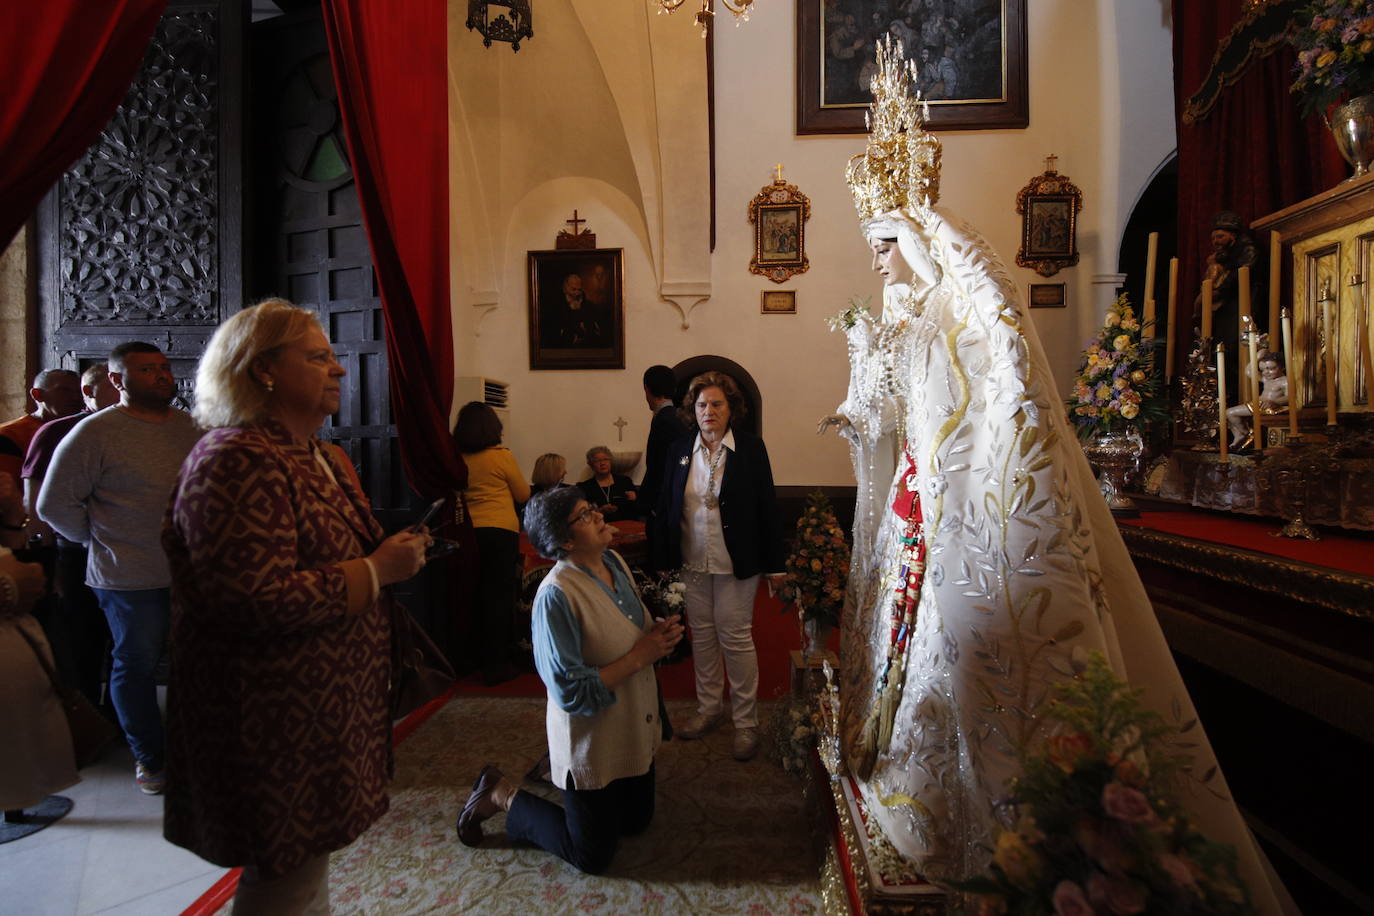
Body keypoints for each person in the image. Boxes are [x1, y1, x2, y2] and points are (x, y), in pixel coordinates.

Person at [818, 38, 1291, 910]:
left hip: (960, 522)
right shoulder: (908, 325)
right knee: (927, 681)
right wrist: (862, 367)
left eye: (887, 244)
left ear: (919, 241)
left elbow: (995, 395)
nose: (878, 261)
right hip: (920, 522)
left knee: (977, 682)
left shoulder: (963, 319)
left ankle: (996, 828)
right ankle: (921, 797)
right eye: (874, 246)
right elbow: (887, 418)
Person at [161, 299, 430, 914]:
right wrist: (376, 569)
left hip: (325, 712)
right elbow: (251, 600)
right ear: (263, 370)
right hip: (272, 723)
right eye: (318, 357)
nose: (338, 370)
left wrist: (388, 557)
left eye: (334, 358)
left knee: (307, 874)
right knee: (282, 879)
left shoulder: (322, 456)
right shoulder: (235, 459)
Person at [455, 487, 682, 873]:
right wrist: (640, 655)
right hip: (590, 740)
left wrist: (657, 634)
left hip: (631, 728)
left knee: (635, 823)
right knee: (591, 857)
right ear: (564, 540)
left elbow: (628, 627)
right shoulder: (555, 596)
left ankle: (566, 792)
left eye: (593, 509)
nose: (597, 515)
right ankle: (501, 792)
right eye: (585, 515)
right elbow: (570, 692)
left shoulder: (613, 561)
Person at [37, 342, 202, 795]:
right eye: (147, 369)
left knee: (198, 663)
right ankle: (151, 759)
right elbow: (53, 504)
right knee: (137, 663)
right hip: (128, 575)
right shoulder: (94, 434)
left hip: (189, 573)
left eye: (165, 368)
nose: (162, 376)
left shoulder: (190, 428)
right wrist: (99, 539)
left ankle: (195, 751)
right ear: (117, 380)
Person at [649, 371, 784, 762]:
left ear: (731, 409)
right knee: (703, 637)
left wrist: (775, 564)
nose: (709, 411)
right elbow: (666, 504)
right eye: (702, 405)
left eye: (717, 404)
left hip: (734, 559)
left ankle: (746, 723)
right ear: (693, 410)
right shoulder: (679, 449)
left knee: (735, 637)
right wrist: (662, 559)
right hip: (691, 559)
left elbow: (767, 509)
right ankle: (709, 710)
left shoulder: (751, 449)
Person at [21, 363, 119, 707]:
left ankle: (119, 717)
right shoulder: (57, 431)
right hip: (75, 553)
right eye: (110, 384)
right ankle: (86, 714)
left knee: (126, 644)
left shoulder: (143, 429)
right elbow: (37, 502)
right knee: (82, 639)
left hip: (127, 556)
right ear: (89, 391)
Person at [0, 477, 77, 824]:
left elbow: (20, 556)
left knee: (20, 730)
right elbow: (21, 580)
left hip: (14, 634)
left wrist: (13, 515)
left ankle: (19, 799)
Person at [454, 400, 531, 684]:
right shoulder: (501, 456)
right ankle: (496, 663)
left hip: (467, 531)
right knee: (497, 597)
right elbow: (523, 494)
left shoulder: (456, 457)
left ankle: (468, 658)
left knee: (470, 593)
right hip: (499, 530)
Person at [0, 369, 83, 483]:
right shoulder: (9, 435)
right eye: (64, 391)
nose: (76, 398)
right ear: (37, 394)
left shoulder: (87, 429)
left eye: (79, 392)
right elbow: (7, 489)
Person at [638, 365, 687, 518]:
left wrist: (653, 506)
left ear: (647, 389)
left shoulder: (665, 420)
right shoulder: (677, 416)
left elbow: (662, 467)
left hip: (664, 504)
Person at [1227, 352, 1289, 447]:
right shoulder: (1266, 379)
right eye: (1263, 370)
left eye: (1271, 368)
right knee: (1226, 414)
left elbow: (1289, 397)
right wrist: (1257, 356)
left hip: (1270, 407)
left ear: (1282, 367)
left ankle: (1245, 433)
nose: (1266, 372)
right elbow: (1249, 371)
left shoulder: (1284, 381)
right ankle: (1240, 434)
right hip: (1258, 405)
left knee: (1230, 413)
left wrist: (1274, 402)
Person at [541, 272, 610, 349]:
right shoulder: (555, 307)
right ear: (565, 289)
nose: (577, 293)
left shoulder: (589, 306)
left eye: (579, 290)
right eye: (573, 289)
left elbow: (595, 331)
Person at [577, 445, 640, 521]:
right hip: (601, 527)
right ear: (591, 465)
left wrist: (635, 499)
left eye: (605, 459)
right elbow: (582, 515)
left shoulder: (625, 481)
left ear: (611, 461)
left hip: (627, 524)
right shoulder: (584, 487)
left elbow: (639, 507)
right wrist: (600, 511)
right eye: (597, 461)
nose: (602, 463)